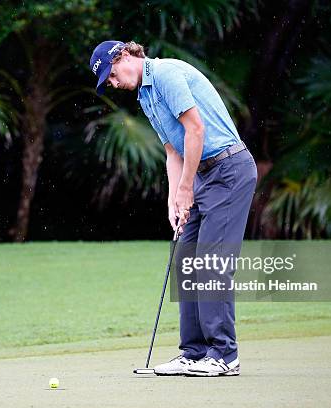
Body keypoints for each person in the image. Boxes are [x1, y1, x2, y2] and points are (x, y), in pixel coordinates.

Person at [89, 40, 257, 376]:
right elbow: (172, 151)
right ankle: (194, 353)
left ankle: (224, 355)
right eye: (108, 82)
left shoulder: (165, 74)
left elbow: (196, 129)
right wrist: (174, 198)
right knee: (186, 261)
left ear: (123, 57)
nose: (113, 83)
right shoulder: (144, 96)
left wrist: (185, 188)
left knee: (211, 264)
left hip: (228, 170)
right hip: (201, 176)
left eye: (111, 75)